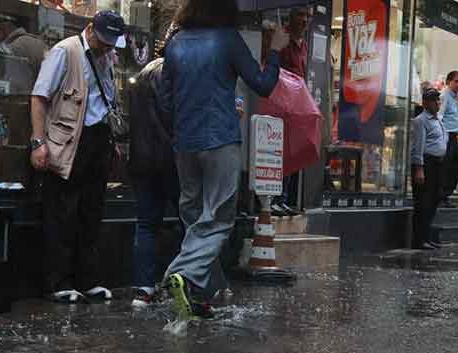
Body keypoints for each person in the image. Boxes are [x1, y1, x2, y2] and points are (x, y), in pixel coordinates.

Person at [161, 0, 289, 320]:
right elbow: (262, 85)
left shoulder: (175, 43)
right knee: (217, 218)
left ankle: (200, 293)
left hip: (184, 141)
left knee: (195, 217)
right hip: (219, 139)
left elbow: (165, 99)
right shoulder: (227, 39)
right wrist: (275, 51)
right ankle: (183, 274)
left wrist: (181, 128)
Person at [30, 10, 126, 303]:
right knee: (62, 212)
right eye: (104, 41)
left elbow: (105, 100)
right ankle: (58, 282)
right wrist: (38, 142)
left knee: (91, 212)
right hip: (68, 141)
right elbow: (39, 96)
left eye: (112, 42)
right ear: (90, 29)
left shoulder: (106, 57)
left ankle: (88, 280)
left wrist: (112, 142)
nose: (107, 47)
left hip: (98, 140)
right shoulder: (65, 51)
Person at [129, 24, 180, 308]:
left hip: (143, 160)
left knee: (147, 224)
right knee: (189, 223)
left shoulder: (143, 72)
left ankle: (143, 288)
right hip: (171, 159)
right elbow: (175, 115)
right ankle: (186, 283)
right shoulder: (173, 74)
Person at [272, 6, 311, 217]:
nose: (305, 21)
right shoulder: (282, 39)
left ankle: (284, 198)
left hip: (298, 106)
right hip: (281, 104)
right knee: (279, 151)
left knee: (292, 152)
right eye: (301, 15)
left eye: (308, 16)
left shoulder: (304, 45)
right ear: (291, 17)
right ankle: (275, 198)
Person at [411, 88, 447, 250]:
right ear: (425, 103)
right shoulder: (420, 121)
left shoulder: (437, 119)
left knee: (434, 199)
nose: (437, 103)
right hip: (426, 164)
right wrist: (419, 168)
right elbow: (418, 146)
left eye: (438, 100)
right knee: (423, 203)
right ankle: (418, 240)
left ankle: (426, 236)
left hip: (438, 164)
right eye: (434, 100)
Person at [0, 17, 48, 94]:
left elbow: (15, 86)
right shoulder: (38, 42)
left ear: (7, 24)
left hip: (22, 100)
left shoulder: (15, 46)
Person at [440, 70, 458, 206]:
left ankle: (445, 194)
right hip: (446, 136)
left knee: (457, 166)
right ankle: (441, 196)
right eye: (456, 81)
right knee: (447, 166)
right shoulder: (445, 95)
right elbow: (439, 116)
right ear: (448, 81)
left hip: (453, 136)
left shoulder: (454, 97)